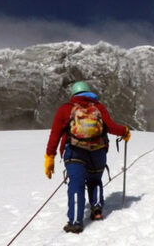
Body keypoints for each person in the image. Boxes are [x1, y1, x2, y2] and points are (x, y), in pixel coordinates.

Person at [44, 81, 131, 234]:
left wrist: (50, 156)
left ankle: (76, 222)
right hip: (97, 152)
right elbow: (110, 126)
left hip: (74, 152)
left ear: (73, 94)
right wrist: (124, 131)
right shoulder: (98, 108)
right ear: (88, 92)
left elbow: (55, 134)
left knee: (76, 185)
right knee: (95, 180)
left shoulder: (66, 109)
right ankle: (97, 209)